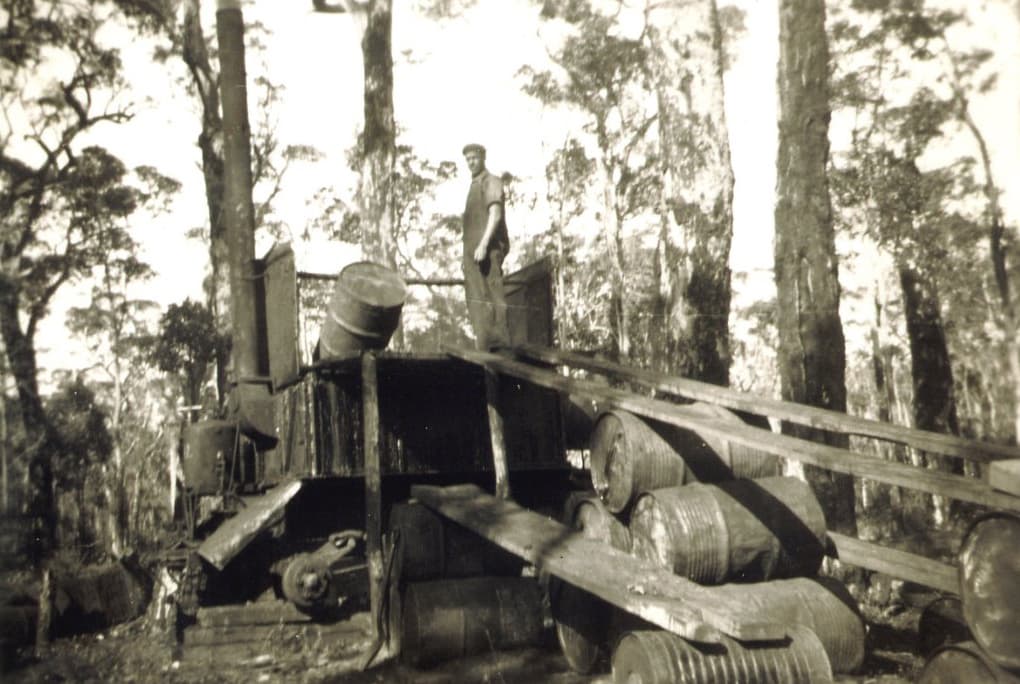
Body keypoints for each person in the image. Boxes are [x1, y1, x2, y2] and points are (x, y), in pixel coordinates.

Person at [461, 143, 511, 350]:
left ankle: (501, 349)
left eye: (474, 158)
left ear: (483, 158)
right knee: (476, 301)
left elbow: (495, 214)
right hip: (473, 256)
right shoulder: (473, 186)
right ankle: (484, 347)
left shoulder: (491, 182)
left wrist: (483, 245)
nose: (471, 162)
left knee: (494, 298)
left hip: (488, 252)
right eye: (468, 159)